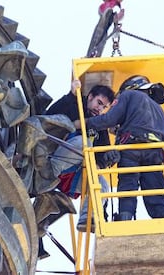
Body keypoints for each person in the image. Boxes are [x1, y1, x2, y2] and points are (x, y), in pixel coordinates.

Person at [76, 75, 164, 221]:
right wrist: (119, 129)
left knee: (128, 184)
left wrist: (83, 123)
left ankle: (125, 216)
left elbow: (109, 119)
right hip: (155, 150)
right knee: (154, 187)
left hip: (132, 147)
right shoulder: (159, 110)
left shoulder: (128, 95)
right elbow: (151, 130)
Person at [46, 79, 115, 232]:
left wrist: (107, 159)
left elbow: (102, 154)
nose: (100, 109)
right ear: (90, 97)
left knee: (103, 186)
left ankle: (87, 218)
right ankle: (46, 178)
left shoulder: (100, 126)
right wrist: (71, 94)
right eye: (99, 102)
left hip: (74, 174)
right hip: (55, 161)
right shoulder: (74, 105)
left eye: (104, 107)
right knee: (85, 143)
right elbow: (49, 115)